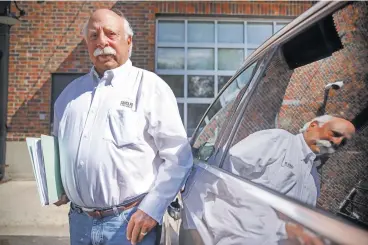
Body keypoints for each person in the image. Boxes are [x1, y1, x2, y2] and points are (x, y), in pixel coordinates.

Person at [52, 8, 193, 245]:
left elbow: (179, 157)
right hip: (79, 223)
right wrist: (58, 184)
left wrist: (152, 208)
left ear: (128, 41)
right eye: (94, 36)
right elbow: (59, 149)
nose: (102, 42)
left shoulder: (150, 88)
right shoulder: (69, 96)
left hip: (130, 224)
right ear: (86, 42)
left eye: (110, 34)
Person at [224, 115, 355, 243]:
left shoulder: (314, 181)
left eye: (343, 142)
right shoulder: (278, 140)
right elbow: (224, 171)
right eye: (335, 134)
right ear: (313, 126)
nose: (337, 142)